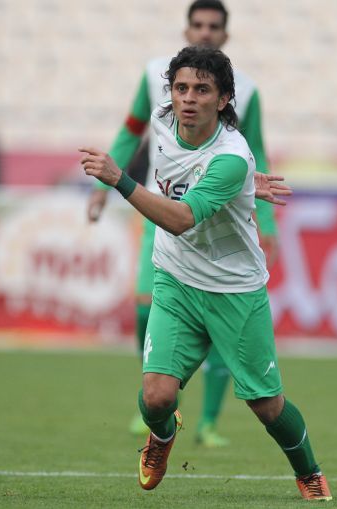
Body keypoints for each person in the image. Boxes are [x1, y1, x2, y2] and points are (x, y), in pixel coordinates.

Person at [80, 45, 332, 501]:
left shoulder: (232, 157)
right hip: (175, 278)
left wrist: (120, 179)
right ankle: (161, 436)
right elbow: (177, 175)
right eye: (180, 88)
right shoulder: (161, 119)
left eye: (202, 90)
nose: (188, 98)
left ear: (224, 99)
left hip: (234, 289)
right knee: (156, 396)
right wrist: (243, 186)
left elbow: (180, 218)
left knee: (266, 405)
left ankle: (309, 471)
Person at [86, 0, 278, 447]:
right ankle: (162, 399)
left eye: (213, 26)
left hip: (214, 219)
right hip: (160, 212)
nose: (205, 32)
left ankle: (208, 421)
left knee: (221, 320)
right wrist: (101, 188)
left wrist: (265, 218)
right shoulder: (156, 75)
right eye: (198, 24)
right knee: (144, 307)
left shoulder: (246, 91)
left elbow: (255, 152)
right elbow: (130, 130)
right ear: (186, 29)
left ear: (225, 35)